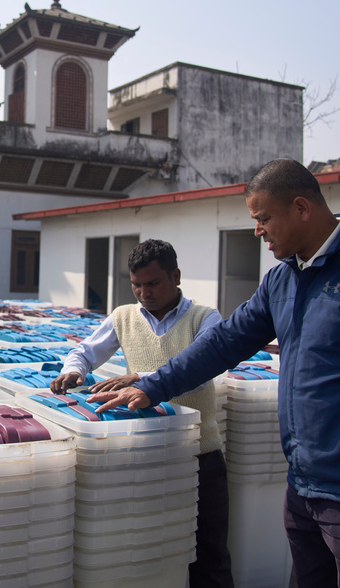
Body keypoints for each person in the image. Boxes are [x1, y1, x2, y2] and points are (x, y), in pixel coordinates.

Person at [90, 159, 340, 588]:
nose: (258, 231)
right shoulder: (282, 281)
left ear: (301, 208)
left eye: (263, 218)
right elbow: (223, 342)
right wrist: (153, 386)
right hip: (301, 488)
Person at [50, 239, 233, 588]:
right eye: (136, 284)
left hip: (200, 454)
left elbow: (202, 371)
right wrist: (74, 370)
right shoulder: (124, 316)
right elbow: (86, 351)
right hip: (147, 452)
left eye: (153, 283)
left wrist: (144, 380)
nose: (143, 293)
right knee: (156, 552)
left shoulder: (204, 318)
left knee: (210, 555)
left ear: (175, 276)